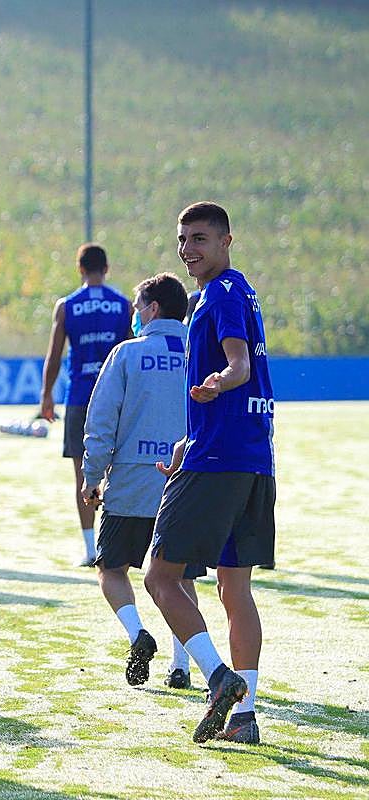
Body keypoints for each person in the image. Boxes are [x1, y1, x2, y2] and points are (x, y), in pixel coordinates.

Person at [144, 202, 276, 745]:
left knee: (159, 577)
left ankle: (219, 679)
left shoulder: (218, 296)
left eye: (199, 238)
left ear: (226, 241)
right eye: (182, 239)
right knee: (233, 588)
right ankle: (245, 719)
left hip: (217, 460)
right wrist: (185, 439)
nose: (187, 249)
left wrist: (219, 381)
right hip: (252, 457)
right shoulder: (243, 291)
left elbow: (239, 365)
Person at [80, 272, 203, 690]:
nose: (134, 315)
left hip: (132, 481)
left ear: (152, 310)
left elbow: (101, 420)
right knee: (180, 578)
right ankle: (181, 665)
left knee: (111, 568)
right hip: (186, 483)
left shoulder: (126, 354)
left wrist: (91, 476)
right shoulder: (201, 354)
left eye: (137, 308)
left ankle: (137, 634)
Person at [38, 243, 131, 566]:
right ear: (106, 269)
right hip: (116, 394)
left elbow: (54, 355)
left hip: (80, 396)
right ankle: (119, 543)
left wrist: (46, 395)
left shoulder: (67, 306)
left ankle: (91, 548)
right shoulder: (123, 305)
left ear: (80, 269)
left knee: (83, 472)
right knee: (121, 467)